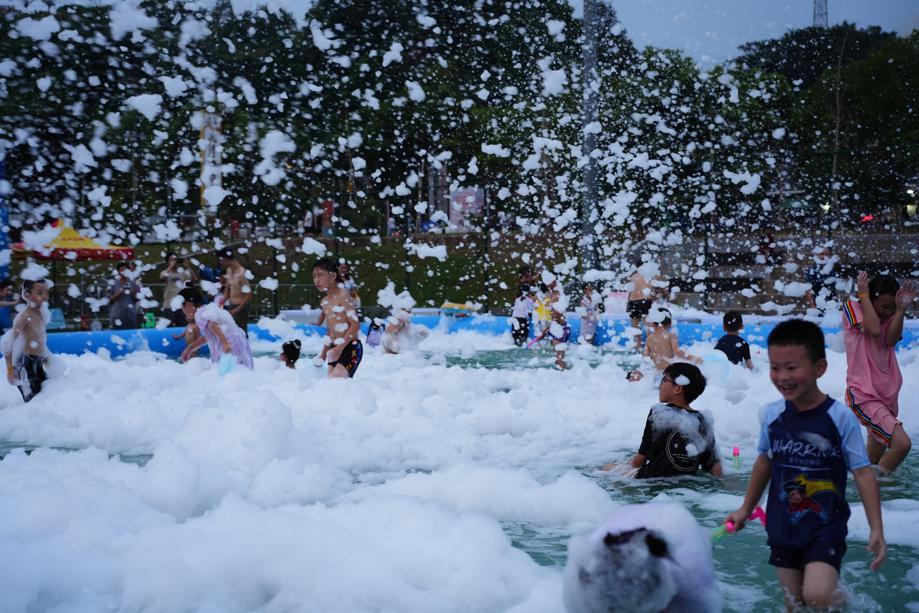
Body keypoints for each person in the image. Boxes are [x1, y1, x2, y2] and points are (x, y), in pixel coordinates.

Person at [725, 319, 885, 611]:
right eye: (775, 367)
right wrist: (746, 508)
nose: (782, 376)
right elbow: (764, 462)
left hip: (825, 522)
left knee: (817, 595)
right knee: (794, 600)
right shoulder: (772, 415)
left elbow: (862, 471)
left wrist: (877, 527)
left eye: (792, 367)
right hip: (781, 523)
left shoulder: (839, 417)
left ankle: (840, 600)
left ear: (819, 368)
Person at [842, 272, 916, 474]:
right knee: (902, 444)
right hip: (864, 394)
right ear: (869, 298)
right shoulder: (853, 307)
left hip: (888, 395)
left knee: (872, 459)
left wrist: (900, 310)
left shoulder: (892, 316)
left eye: (891, 307)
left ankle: (858, 495)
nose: (887, 312)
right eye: (884, 307)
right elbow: (873, 329)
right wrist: (864, 296)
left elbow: (891, 339)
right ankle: (873, 489)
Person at [602, 363, 722, 478]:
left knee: (606, 467)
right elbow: (715, 468)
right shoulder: (704, 420)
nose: (660, 385)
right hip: (686, 483)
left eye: (664, 380)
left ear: (678, 388)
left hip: (651, 479)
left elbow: (640, 459)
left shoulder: (659, 413)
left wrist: (625, 468)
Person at [178, 288, 253, 369]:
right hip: (238, 342)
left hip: (229, 344)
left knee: (226, 374)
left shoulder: (199, 314)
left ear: (188, 304)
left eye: (182, 308)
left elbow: (213, 325)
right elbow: (210, 335)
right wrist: (190, 348)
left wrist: (225, 344)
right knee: (240, 371)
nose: (183, 311)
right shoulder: (207, 309)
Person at [312, 257, 362, 378]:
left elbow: (355, 325)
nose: (316, 280)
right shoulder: (325, 301)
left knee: (336, 381)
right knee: (332, 387)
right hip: (334, 348)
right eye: (314, 276)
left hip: (351, 348)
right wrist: (323, 354)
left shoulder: (344, 296)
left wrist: (340, 347)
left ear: (333, 276)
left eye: (320, 275)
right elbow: (331, 330)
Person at [2, 280, 51, 402]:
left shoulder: (41, 314)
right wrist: (10, 370)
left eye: (47, 292)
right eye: (40, 292)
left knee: (45, 398)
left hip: (36, 361)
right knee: (33, 401)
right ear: (27, 295)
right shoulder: (24, 316)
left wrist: (46, 358)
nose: (45, 297)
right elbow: (7, 342)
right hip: (25, 363)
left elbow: (38, 339)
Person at [530, 278, 570, 369]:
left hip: (560, 329)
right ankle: (565, 371)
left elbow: (557, 317)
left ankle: (564, 372)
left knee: (559, 357)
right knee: (559, 356)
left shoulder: (557, 297)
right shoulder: (554, 296)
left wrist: (547, 330)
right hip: (560, 328)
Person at [217, 248, 252, 335]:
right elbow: (228, 289)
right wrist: (223, 300)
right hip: (232, 306)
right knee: (230, 333)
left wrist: (238, 309)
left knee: (240, 333)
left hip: (241, 307)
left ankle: (244, 348)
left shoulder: (241, 273)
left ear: (226, 259)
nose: (220, 262)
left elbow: (249, 294)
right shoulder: (229, 271)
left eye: (221, 260)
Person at [159, 252, 198, 326]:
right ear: (167, 262)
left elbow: (195, 279)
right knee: (168, 328)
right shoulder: (166, 272)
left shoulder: (182, 273)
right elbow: (161, 277)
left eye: (175, 259)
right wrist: (171, 266)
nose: (174, 261)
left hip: (182, 307)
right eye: (171, 260)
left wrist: (187, 266)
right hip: (169, 306)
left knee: (183, 326)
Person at [627, 269, 656, 351]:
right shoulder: (648, 273)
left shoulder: (633, 275)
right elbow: (651, 288)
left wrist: (628, 303)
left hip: (632, 301)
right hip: (645, 300)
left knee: (635, 324)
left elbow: (629, 290)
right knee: (647, 323)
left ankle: (638, 345)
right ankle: (650, 345)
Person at [108, 262, 141, 329]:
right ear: (118, 272)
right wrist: (120, 292)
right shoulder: (113, 283)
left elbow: (136, 299)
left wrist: (134, 293)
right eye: (122, 270)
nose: (124, 272)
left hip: (130, 314)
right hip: (117, 314)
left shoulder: (132, 283)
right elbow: (109, 300)